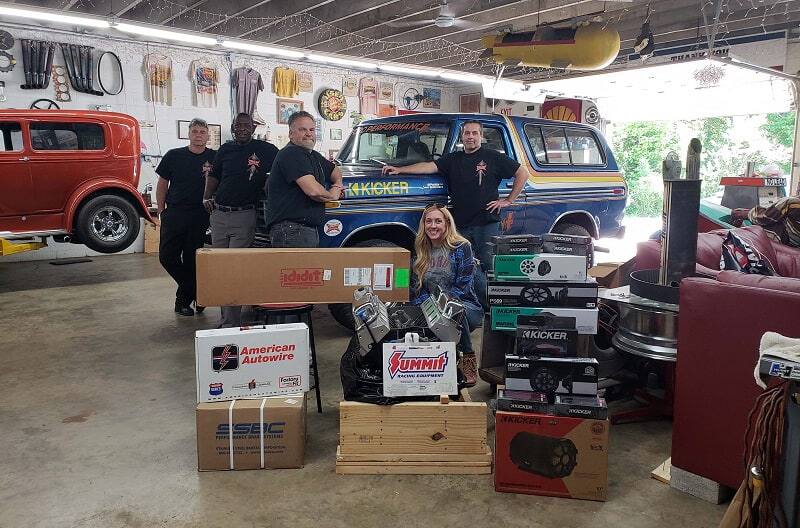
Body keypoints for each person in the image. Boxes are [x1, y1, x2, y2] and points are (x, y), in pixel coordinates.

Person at [382, 121, 530, 307]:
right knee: (464, 268)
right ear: (462, 136)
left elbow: (522, 173)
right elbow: (429, 166)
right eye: (467, 133)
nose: (470, 137)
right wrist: (400, 169)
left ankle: (495, 309)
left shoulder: (493, 157)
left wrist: (508, 200)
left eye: (474, 133)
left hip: (486, 223)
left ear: (481, 136)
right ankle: (474, 305)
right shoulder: (453, 159)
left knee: (489, 267)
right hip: (460, 225)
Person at [203, 112, 278, 327]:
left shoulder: (266, 150)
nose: (243, 128)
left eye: (247, 125)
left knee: (234, 270)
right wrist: (206, 197)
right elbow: (214, 176)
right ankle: (227, 318)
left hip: (244, 216)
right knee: (221, 269)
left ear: (254, 128)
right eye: (239, 125)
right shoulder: (225, 149)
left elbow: (286, 160)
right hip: (219, 216)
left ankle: (229, 322)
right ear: (233, 127)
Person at [409, 204, 483, 387]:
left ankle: (468, 357)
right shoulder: (420, 252)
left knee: (453, 310)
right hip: (432, 308)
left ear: (447, 224)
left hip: (466, 307)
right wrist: (426, 309)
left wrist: (440, 307)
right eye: (428, 221)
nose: (433, 226)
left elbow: (463, 287)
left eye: (438, 221)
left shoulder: (462, 247)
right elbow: (416, 289)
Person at [155, 118, 216, 316]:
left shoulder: (215, 157)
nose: (198, 134)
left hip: (200, 214)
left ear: (208, 135)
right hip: (174, 212)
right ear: (188, 134)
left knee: (192, 260)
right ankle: (197, 291)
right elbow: (163, 184)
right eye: (195, 131)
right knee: (167, 257)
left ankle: (182, 302)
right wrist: (161, 210)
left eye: (202, 131)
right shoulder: (174, 156)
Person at [266, 110, 344, 248]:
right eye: (302, 130)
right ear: (291, 134)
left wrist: (337, 184)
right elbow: (314, 191)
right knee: (296, 269)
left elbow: (335, 170)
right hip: (292, 231)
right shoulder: (291, 154)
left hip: (301, 230)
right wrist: (333, 195)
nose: (309, 133)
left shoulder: (312, 155)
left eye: (312, 129)